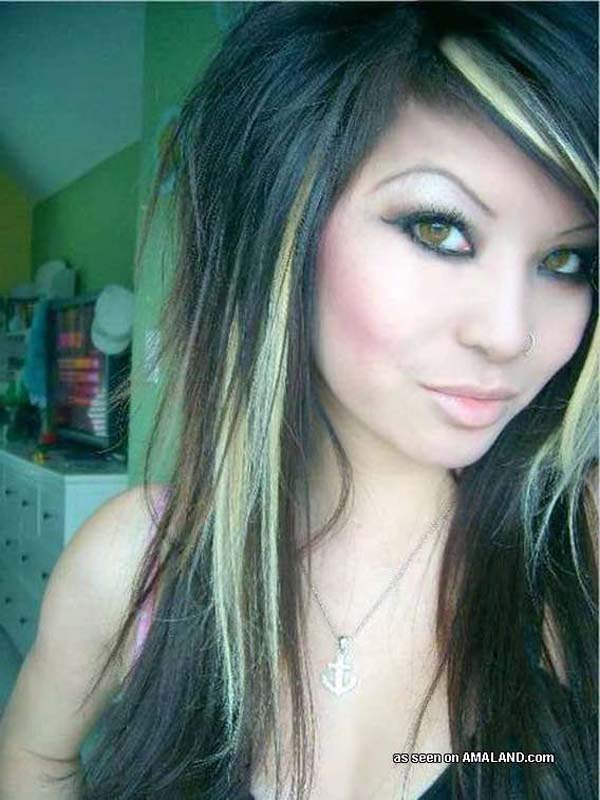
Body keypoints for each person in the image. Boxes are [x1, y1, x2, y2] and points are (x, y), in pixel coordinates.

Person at [0, 3, 597, 799]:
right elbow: (35, 759)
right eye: (439, 229)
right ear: (286, 218)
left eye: (566, 261)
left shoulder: (578, 556)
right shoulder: (136, 567)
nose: (510, 334)